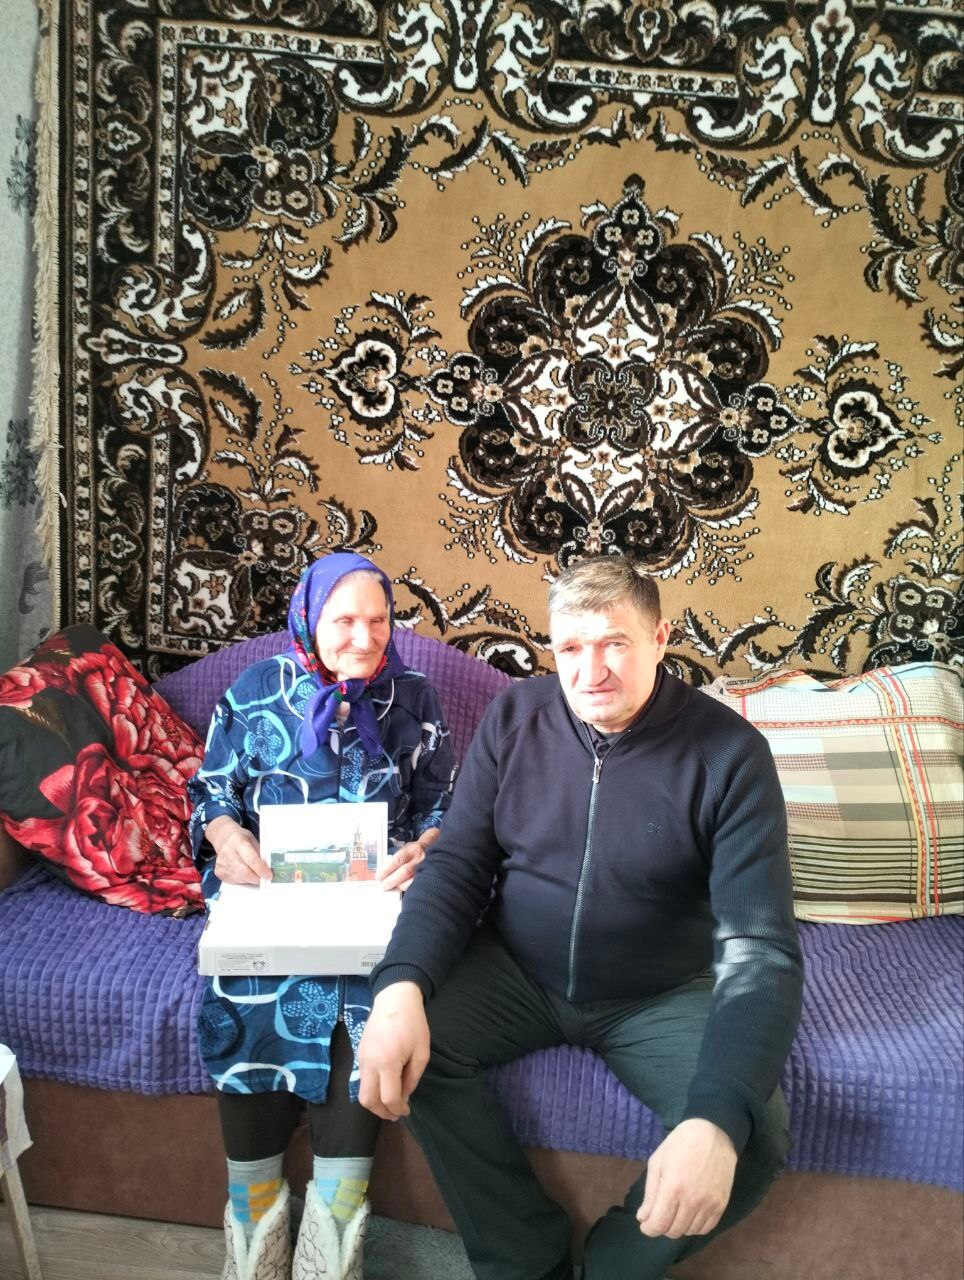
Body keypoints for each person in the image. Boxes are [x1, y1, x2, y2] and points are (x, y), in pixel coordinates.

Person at [358, 554, 804, 1280]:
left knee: (750, 1135)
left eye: (614, 643)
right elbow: (459, 864)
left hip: (660, 992)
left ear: (660, 639)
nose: (591, 671)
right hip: (517, 970)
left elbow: (761, 949)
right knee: (407, 1042)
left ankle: (611, 1265)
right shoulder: (515, 719)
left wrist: (716, 1120)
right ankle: (525, 1257)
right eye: (570, 647)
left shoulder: (730, 755)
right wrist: (400, 982)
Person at [187, 552, 455, 1280]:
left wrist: (427, 848)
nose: (364, 638)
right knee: (245, 990)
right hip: (269, 900)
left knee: (373, 1006)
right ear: (309, 619)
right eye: (345, 621)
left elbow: (443, 802)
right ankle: (254, 1236)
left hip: (375, 904)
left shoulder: (414, 697)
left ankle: (331, 1246)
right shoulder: (255, 690)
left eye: (378, 620)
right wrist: (225, 836)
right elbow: (210, 790)